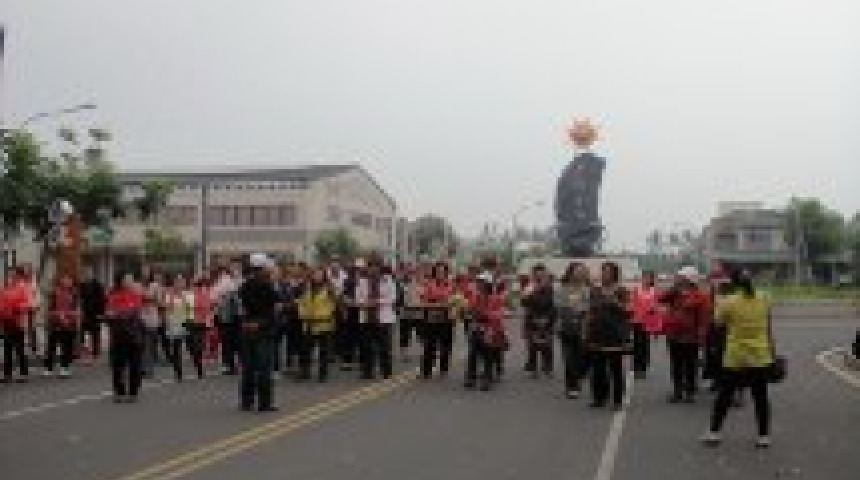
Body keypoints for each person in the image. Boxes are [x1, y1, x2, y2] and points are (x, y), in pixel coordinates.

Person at [701, 271, 775, 449]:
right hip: (760, 355)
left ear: (733, 284)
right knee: (761, 397)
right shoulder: (765, 298)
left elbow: (718, 323)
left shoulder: (729, 302)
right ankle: (763, 436)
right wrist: (772, 350)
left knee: (724, 395)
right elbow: (768, 325)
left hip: (736, 355)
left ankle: (714, 433)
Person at [660, 266, 711, 404]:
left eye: (681, 277)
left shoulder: (700, 296)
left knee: (690, 365)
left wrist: (702, 336)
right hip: (674, 334)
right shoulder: (674, 292)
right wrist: (673, 289)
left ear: (689, 279)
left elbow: (704, 317)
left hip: (691, 336)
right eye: (679, 277)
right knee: (676, 364)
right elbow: (661, 298)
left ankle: (689, 392)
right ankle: (677, 391)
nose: (678, 279)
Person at [237, 253, 280, 412]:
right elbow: (275, 304)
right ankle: (264, 403)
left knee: (248, 367)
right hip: (263, 329)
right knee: (264, 368)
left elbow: (242, 306)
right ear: (262, 267)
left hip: (247, 328)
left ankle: (246, 401)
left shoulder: (244, 285)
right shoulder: (267, 285)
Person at [586, 262, 631, 411]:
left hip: (615, 334)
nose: (605, 274)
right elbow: (590, 310)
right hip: (597, 333)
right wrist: (587, 329)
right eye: (603, 271)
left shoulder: (621, 290)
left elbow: (627, 310)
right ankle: (599, 398)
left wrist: (615, 302)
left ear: (614, 274)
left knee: (615, 369)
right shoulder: (595, 290)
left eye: (608, 271)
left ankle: (618, 400)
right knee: (598, 369)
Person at [105, 272, 145, 403]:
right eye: (127, 279)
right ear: (121, 281)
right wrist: (120, 313)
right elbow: (109, 313)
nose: (130, 282)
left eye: (131, 279)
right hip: (118, 335)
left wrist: (119, 313)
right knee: (118, 366)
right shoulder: (113, 295)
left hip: (134, 335)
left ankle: (133, 392)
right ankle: (119, 392)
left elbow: (135, 311)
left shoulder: (136, 295)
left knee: (135, 365)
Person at [464, 272, 507, 391]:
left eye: (482, 282)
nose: (479, 284)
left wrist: (486, 315)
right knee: (473, 353)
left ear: (487, 284)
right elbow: (470, 309)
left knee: (488, 354)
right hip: (476, 327)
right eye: (479, 282)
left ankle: (487, 378)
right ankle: (471, 377)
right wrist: (469, 311)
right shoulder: (475, 296)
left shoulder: (496, 298)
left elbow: (500, 313)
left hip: (490, 328)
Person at [356, 260, 397, 380]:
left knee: (384, 347)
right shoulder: (362, 281)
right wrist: (365, 302)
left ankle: (386, 372)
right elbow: (358, 298)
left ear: (380, 268)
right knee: (366, 347)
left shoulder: (387, 280)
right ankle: (367, 372)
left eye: (376, 266)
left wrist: (377, 301)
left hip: (383, 318)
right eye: (371, 267)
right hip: (367, 317)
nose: (373, 269)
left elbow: (393, 298)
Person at [556, 262, 591, 399]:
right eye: (577, 271)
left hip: (583, 326)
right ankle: (572, 386)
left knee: (582, 357)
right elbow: (559, 305)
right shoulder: (562, 289)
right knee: (569, 358)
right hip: (566, 326)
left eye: (582, 271)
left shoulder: (587, 289)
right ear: (570, 272)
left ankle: (579, 376)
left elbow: (588, 306)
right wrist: (573, 311)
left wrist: (581, 312)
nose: (580, 273)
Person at [296, 267, 337, 382]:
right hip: (308, 323)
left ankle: (322, 374)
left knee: (323, 350)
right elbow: (301, 303)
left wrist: (320, 315)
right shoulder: (306, 288)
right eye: (315, 274)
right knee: (306, 350)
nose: (317, 277)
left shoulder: (329, 289)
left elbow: (332, 306)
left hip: (323, 324)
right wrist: (303, 314)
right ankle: (305, 372)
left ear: (324, 276)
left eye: (319, 275)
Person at [163, 274, 204, 381]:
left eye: (182, 281)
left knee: (193, 348)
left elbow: (190, 309)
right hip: (175, 324)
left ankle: (199, 370)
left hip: (187, 323)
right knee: (176, 349)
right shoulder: (169, 295)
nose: (179, 283)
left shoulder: (188, 294)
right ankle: (178, 373)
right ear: (174, 283)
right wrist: (168, 323)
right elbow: (167, 309)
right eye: (177, 281)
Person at [419, 262, 455, 379]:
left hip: (446, 319)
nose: (441, 274)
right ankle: (426, 371)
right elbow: (423, 301)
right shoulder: (429, 284)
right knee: (429, 345)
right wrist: (439, 304)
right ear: (435, 272)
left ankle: (443, 370)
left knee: (445, 346)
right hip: (431, 319)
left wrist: (437, 302)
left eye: (443, 272)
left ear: (446, 273)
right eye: (438, 271)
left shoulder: (451, 285)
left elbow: (453, 302)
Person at [521, 264, 556, 379]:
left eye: (542, 273)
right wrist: (535, 318)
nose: (539, 275)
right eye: (537, 273)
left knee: (547, 346)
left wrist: (547, 318)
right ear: (533, 274)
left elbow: (553, 305)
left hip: (547, 320)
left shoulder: (550, 288)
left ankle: (548, 368)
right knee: (532, 346)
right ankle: (533, 368)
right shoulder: (529, 287)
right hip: (532, 320)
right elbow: (525, 304)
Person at [42, 274, 81, 378]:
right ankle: (48, 368)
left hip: (69, 324)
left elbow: (77, 309)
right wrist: (58, 315)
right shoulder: (55, 292)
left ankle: (64, 368)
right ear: (60, 281)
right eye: (65, 279)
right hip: (55, 323)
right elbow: (49, 308)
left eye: (69, 280)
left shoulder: (74, 293)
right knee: (51, 346)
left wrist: (71, 316)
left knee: (67, 347)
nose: (67, 281)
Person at [1, 267, 35, 383]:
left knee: (19, 348)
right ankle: (7, 374)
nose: (11, 277)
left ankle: (23, 373)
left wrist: (17, 308)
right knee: (7, 348)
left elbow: (30, 303)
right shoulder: (6, 288)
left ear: (19, 276)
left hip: (19, 320)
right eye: (10, 275)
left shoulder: (24, 287)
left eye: (14, 275)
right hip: (7, 320)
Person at [212, 260, 243, 375]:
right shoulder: (224, 280)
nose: (235, 269)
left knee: (238, 340)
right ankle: (230, 365)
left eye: (237, 267)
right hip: (226, 314)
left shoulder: (242, 280)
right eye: (233, 267)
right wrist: (224, 295)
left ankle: (240, 364)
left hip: (238, 315)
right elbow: (214, 295)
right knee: (227, 340)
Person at [630, 271, 662, 379]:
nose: (646, 280)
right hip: (637, 321)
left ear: (651, 280)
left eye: (649, 278)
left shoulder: (654, 291)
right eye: (645, 278)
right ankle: (636, 367)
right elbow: (632, 304)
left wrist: (657, 325)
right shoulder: (636, 290)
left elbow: (657, 307)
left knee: (644, 345)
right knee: (636, 344)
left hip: (648, 322)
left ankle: (643, 368)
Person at [337, 260, 364, 371]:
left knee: (362, 337)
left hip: (364, 311)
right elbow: (343, 295)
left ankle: (363, 360)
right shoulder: (348, 281)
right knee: (349, 337)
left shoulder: (367, 281)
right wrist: (349, 303)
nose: (358, 270)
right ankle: (347, 361)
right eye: (356, 268)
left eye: (360, 268)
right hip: (351, 311)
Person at [140, 271, 166, 378]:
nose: (145, 274)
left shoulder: (155, 286)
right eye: (143, 271)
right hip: (141, 319)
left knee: (148, 346)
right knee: (142, 346)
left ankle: (148, 370)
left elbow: (160, 302)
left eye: (146, 271)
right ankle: (143, 368)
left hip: (152, 320)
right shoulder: (138, 285)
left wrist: (148, 298)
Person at [79, 268, 106, 362]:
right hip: (85, 312)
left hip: (96, 312)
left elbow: (102, 300)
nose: (87, 274)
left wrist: (101, 313)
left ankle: (95, 352)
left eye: (89, 273)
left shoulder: (98, 285)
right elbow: (80, 298)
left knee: (95, 333)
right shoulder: (82, 285)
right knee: (82, 332)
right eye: (86, 273)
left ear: (93, 274)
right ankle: (82, 351)